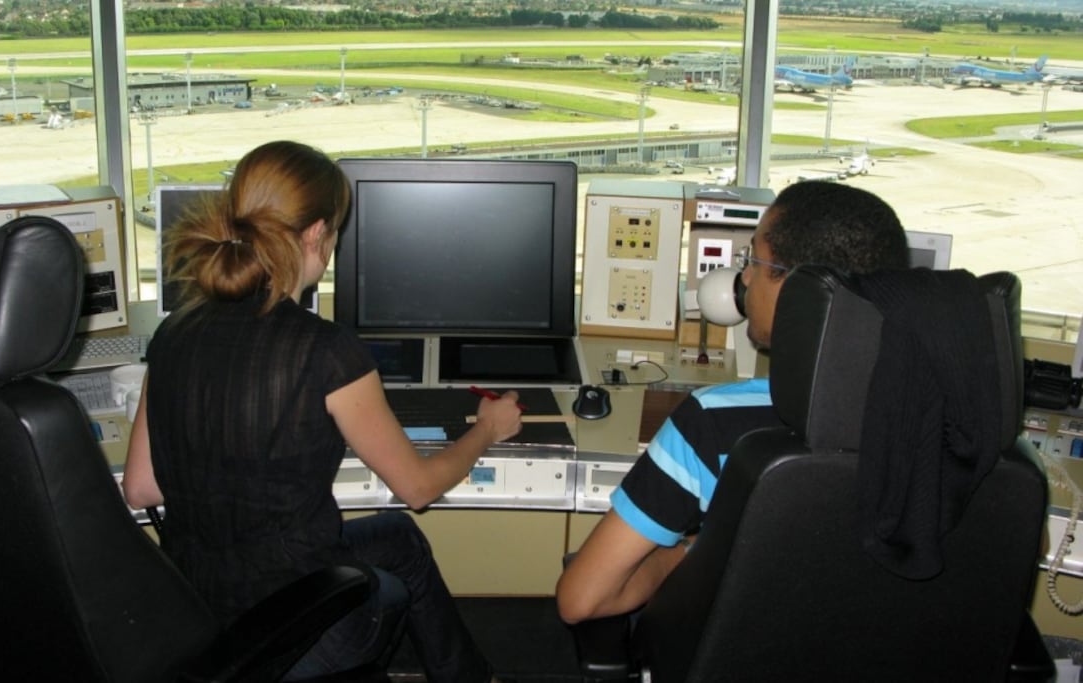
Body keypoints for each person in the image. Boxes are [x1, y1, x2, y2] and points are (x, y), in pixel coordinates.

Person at [122, 140, 522, 682]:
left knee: (398, 537)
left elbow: (142, 489)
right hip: (298, 625)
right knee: (395, 579)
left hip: (199, 614)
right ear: (315, 234)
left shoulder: (173, 332)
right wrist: (487, 432)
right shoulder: (325, 350)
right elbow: (420, 488)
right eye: (334, 231)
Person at [555, 180, 910, 624]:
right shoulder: (963, 419)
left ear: (799, 289)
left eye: (755, 262)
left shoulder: (716, 424)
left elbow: (582, 600)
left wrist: (692, 552)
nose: (743, 278)